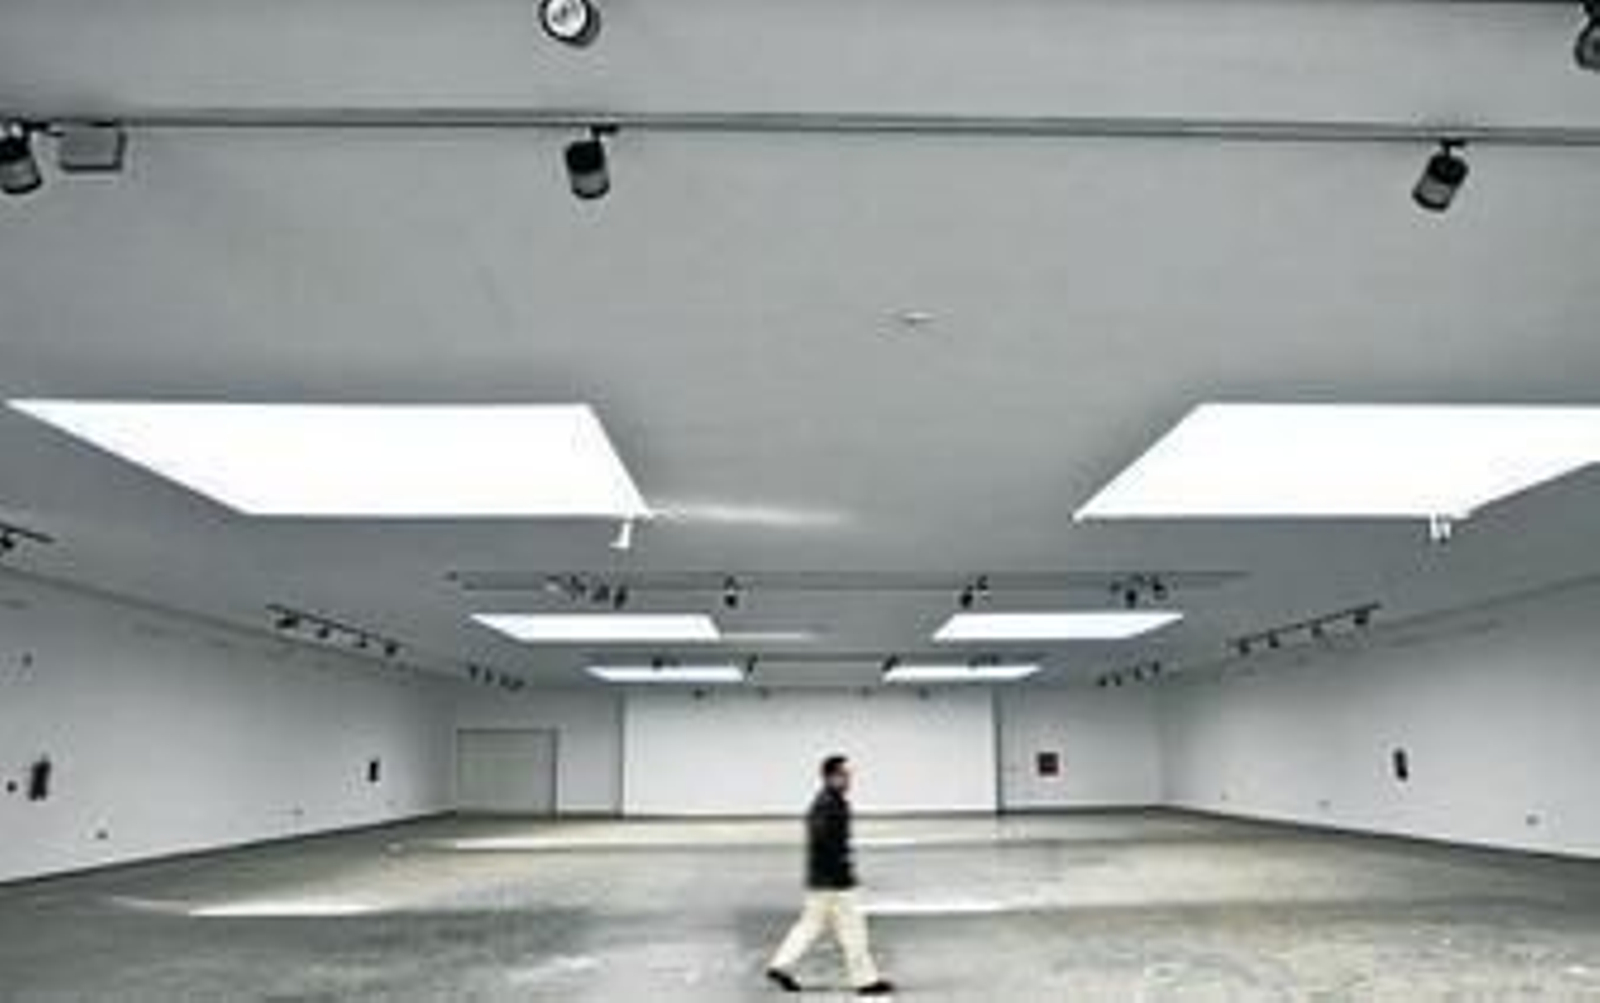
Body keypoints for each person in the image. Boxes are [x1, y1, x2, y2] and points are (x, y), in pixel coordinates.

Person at [766, 754, 895, 996]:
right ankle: (866, 981)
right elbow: (825, 840)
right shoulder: (830, 804)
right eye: (844, 775)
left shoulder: (826, 802)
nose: (849, 780)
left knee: (809, 925)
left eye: (849, 775)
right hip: (835, 882)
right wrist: (842, 870)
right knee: (854, 930)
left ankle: (780, 965)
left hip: (821, 881)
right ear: (830, 776)